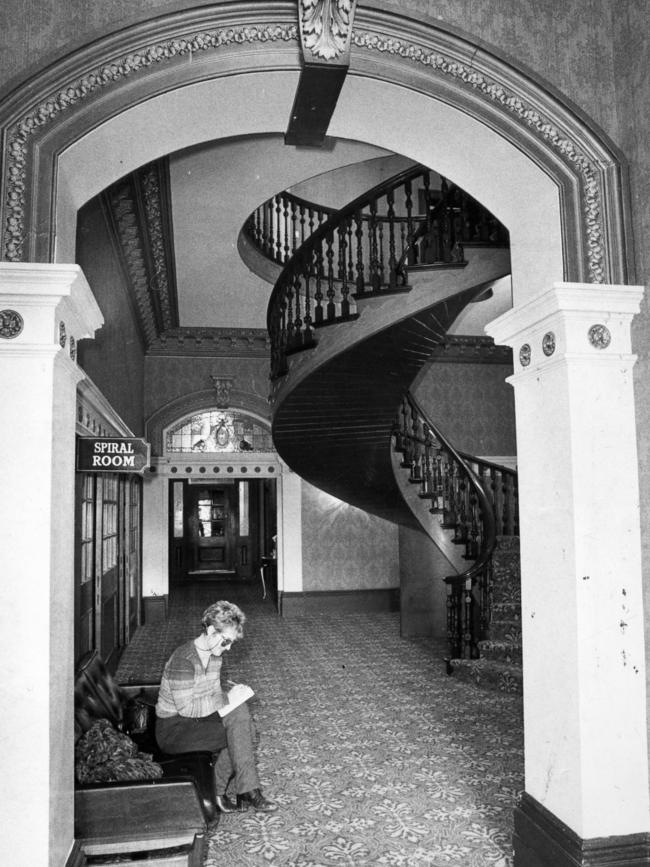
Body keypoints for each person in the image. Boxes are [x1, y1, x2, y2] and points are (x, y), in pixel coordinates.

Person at [155, 600, 276, 813]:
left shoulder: (214, 656)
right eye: (226, 641)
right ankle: (232, 791)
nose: (228, 648)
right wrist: (226, 699)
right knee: (242, 732)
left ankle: (242, 791)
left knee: (240, 715)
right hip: (174, 729)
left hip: (200, 718)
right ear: (211, 630)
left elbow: (211, 694)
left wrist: (232, 693)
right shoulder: (183, 660)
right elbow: (187, 709)